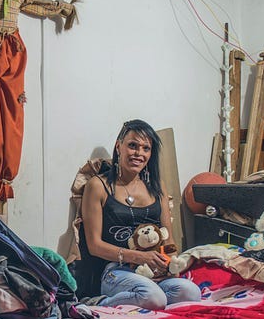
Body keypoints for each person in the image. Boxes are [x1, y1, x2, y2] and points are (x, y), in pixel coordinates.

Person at [80, 119, 201, 309]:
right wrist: (139, 257)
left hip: (152, 271)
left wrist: (168, 265)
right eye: (133, 146)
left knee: (191, 292)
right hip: (116, 271)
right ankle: (97, 304)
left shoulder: (156, 186)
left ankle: (141, 301)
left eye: (146, 148)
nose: (139, 153)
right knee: (153, 297)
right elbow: (94, 246)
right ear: (119, 147)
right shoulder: (98, 186)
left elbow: (168, 241)